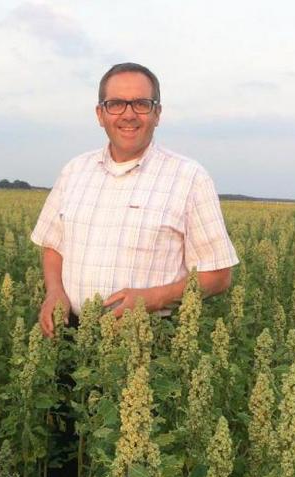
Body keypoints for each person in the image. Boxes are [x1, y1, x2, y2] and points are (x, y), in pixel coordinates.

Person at [31, 62, 239, 336]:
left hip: (147, 340)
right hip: (69, 335)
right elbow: (53, 246)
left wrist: (151, 299)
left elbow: (219, 276)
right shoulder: (74, 171)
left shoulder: (190, 178)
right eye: (116, 104)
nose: (128, 115)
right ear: (100, 114)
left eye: (141, 104)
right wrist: (54, 291)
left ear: (157, 113)